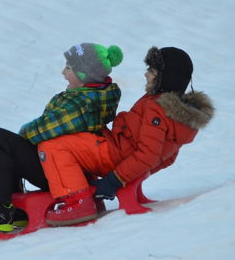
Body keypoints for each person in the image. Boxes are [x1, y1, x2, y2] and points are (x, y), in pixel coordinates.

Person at [37, 46, 215, 226]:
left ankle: (78, 203)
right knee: (79, 134)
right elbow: (167, 157)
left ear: (166, 77)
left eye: (151, 70)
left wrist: (115, 180)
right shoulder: (179, 116)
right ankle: (88, 198)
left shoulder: (157, 108)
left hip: (113, 154)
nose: (146, 75)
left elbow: (148, 154)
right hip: (119, 151)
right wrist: (137, 174)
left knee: (52, 146)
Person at [0, 43, 124, 232]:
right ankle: (11, 206)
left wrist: (20, 138)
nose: (63, 72)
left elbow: (43, 130)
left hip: (66, 171)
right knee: (8, 145)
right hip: (70, 166)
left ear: (84, 75)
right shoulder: (94, 95)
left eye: (69, 68)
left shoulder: (82, 104)